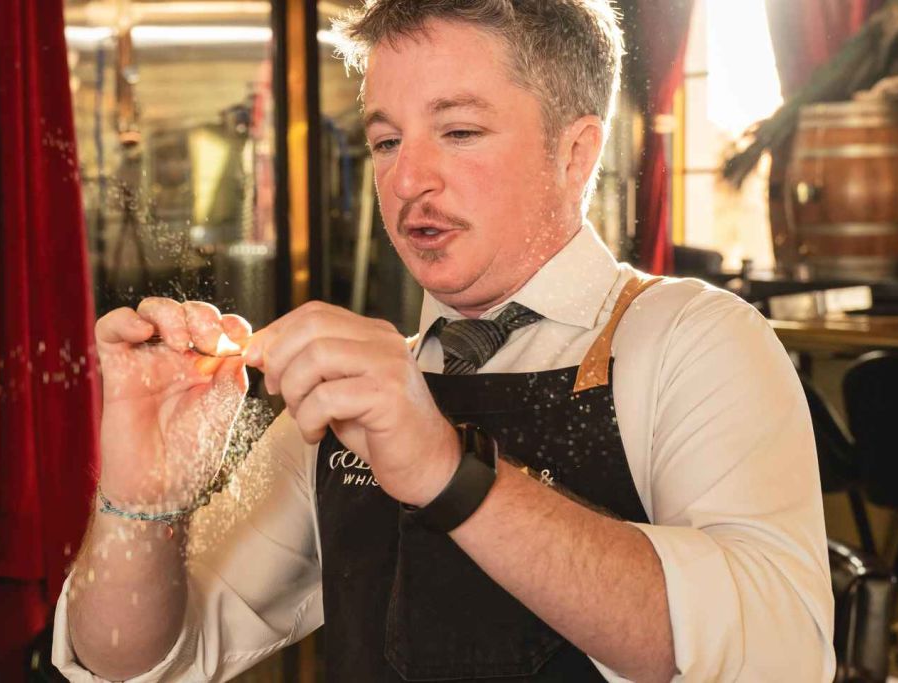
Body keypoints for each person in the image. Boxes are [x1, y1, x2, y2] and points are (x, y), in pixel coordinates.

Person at [53, 1, 835, 681]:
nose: (406, 181)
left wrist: (448, 472)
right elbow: (131, 661)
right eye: (387, 141)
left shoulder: (693, 341)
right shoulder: (348, 402)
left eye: (458, 131)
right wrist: (139, 504)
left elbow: (778, 656)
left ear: (576, 154)